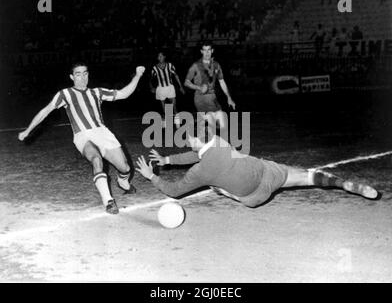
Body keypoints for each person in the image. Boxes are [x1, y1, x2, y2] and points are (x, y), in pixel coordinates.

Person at [135, 124, 379, 208]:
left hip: (252, 198)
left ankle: (225, 189)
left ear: (197, 140)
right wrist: (168, 160)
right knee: (308, 177)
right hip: (268, 173)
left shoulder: (200, 170)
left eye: (189, 138)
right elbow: (197, 152)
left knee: (214, 185)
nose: (187, 141)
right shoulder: (220, 141)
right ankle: (341, 183)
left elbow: (175, 191)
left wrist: (151, 176)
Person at [18, 63, 146, 214]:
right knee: (96, 160)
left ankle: (122, 181)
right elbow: (45, 111)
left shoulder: (97, 92)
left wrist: (137, 76)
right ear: (72, 77)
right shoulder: (65, 94)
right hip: (82, 136)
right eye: (78, 74)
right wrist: (28, 130)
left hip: (102, 133)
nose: (82, 77)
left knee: (125, 167)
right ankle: (109, 201)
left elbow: (123, 94)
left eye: (85, 73)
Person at [184, 41, 236, 128]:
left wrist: (229, 97)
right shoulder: (196, 65)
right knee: (214, 122)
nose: (207, 52)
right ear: (201, 51)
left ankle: (202, 123)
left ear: (212, 51)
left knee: (222, 125)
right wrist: (199, 87)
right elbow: (186, 82)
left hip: (212, 96)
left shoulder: (216, 65)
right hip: (200, 97)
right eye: (204, 50)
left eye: (209, 50)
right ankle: (203, 123)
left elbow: (222, 81)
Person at [149, 51, 185, 128]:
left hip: (170, 87)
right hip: (161, 89)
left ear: (164, 57)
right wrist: (151, 87)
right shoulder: (155, 68)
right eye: (159, 56)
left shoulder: (170, 65)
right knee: (164, 108)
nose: (160, 58)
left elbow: (176, 75)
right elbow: (151, 79)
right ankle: (166, 123)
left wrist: (180, 86)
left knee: (174, 106)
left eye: (161, 56)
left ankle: (177, 122)